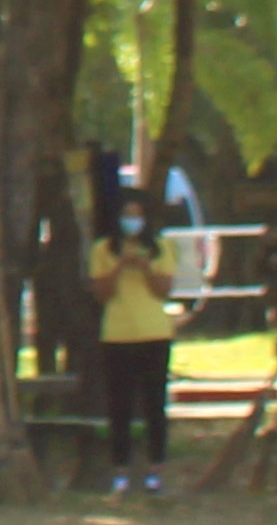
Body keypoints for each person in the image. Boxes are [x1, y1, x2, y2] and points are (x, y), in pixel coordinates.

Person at [89, 192, 180, 495]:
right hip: (117, 334)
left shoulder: (161, 247)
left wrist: (143, 266)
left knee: (155, 403)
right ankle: (121, 470)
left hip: (154, 333)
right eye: (127, 214)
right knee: (120, 406)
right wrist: (119, 267)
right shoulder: (103, 249)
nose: (133, 221)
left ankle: (156, 469)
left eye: (137, 214)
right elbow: (101, 293)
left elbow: (163, 289)